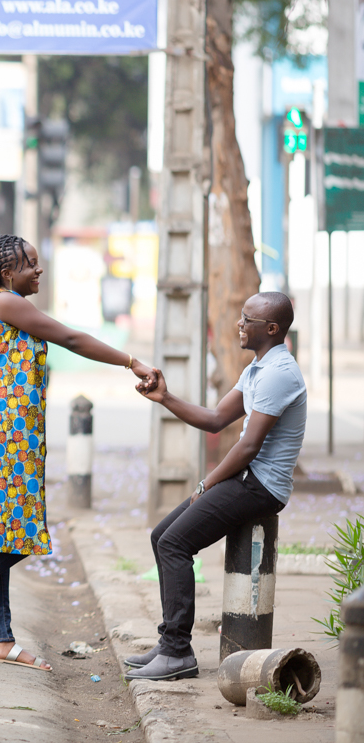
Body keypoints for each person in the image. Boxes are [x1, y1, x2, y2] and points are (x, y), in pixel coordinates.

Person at [0, 234, 157, 670]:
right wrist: (131, 362)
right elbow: (70, 337)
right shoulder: (7, 302)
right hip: (3, 434)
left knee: (2, 530)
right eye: (30, 263)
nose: (39, 269)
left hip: (9, 432)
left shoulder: (5, 302)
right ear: (8, 273)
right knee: (19, 531)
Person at [127, 292, 306, 681]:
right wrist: (165, 397)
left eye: (248, 319)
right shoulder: (258, 368)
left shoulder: (279, 373)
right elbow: (214, 419)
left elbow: (249, 446)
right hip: (247, 477)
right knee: (162, 536)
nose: (239, 324)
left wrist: (207, 483)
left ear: (271, 329)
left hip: (261, 485)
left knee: (176, 544)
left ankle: (177, 653)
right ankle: (168, 642)